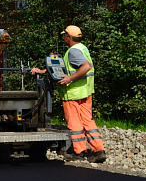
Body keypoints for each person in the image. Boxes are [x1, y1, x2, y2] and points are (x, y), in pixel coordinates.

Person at [31, 26, 106, 162]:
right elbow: (63, 68)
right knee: (88, 121)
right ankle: (99, 151)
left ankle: (79, 152)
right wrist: (43, 71)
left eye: (64, 36)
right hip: (85, 92)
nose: (64, 38)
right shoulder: (83, 48)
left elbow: (85, 67)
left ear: (69, 37)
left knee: (75, 124)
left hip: (73, 94)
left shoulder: (73, 52)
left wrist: (69, 79)